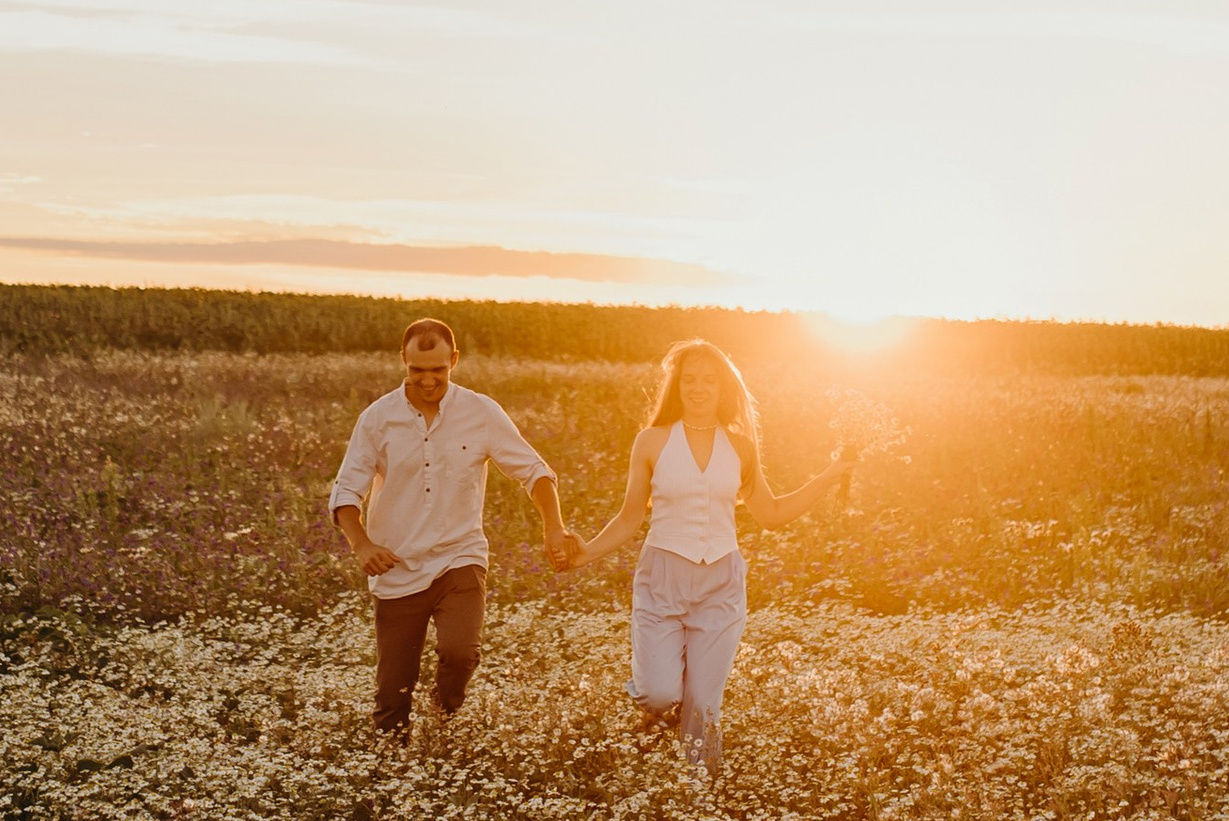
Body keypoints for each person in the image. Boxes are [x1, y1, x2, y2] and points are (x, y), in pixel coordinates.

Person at [566, 339, 852, 773]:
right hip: (663, 578)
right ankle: (657, 707)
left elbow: (771, 514)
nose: (699, 388)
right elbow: (629, 520)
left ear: (724, 388)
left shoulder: (741, 447)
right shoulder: (651, 442)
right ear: (677, 386)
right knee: (660, 693)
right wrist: (582, 555)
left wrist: (829, 476)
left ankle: (703, 798)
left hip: (721, 583)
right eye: (689, 380)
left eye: (709, 380)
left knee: (703, 707)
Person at [329, 318, 582, 738]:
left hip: (459, 557)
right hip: (396, 566)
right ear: (403, 362)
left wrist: (553, 527)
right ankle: (391, 771)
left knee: (460, 652)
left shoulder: (480, 412)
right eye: (417, 370)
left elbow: (534, 472)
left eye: (438, 370)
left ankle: (442, 717)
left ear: (455, 361)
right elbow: (345, 493)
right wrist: (361, 544)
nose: (427, 381)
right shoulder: (378, 419)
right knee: (393, 693)